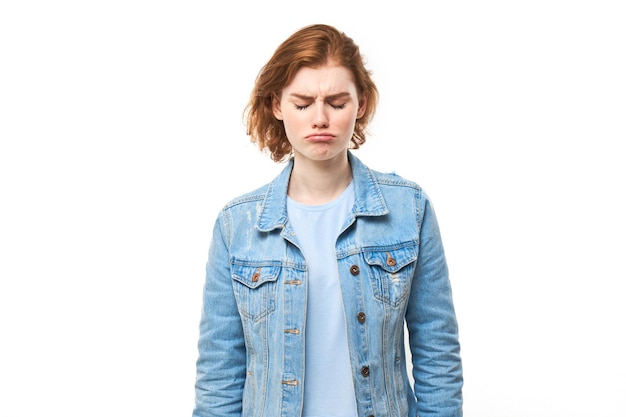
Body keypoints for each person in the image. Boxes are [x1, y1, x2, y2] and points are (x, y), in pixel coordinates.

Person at [192, 23, 463, 417]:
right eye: (302, 104)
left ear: (362, 104)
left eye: (337, 103)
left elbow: (437, 350)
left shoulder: (409, 210)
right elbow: (220, 372)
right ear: (276, 105)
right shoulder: (239, 226)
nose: (320, 118)